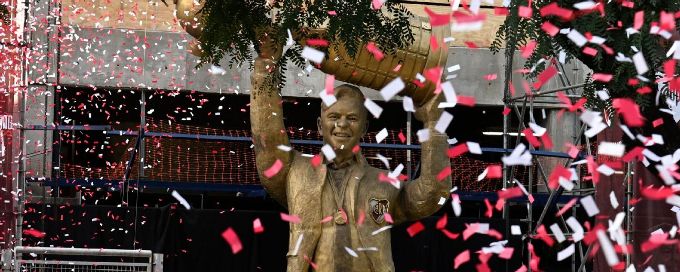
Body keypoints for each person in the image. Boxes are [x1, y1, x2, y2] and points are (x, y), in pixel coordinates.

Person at [250, 52, 452, 271]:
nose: (342, 124)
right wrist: (265, 65)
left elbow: (432, 195)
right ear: (319, 125)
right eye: (334, 117)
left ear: (364, 128)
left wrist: (435, 124)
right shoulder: (296, 172)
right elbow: (268, 143)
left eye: (352, 118)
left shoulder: (384, 182)